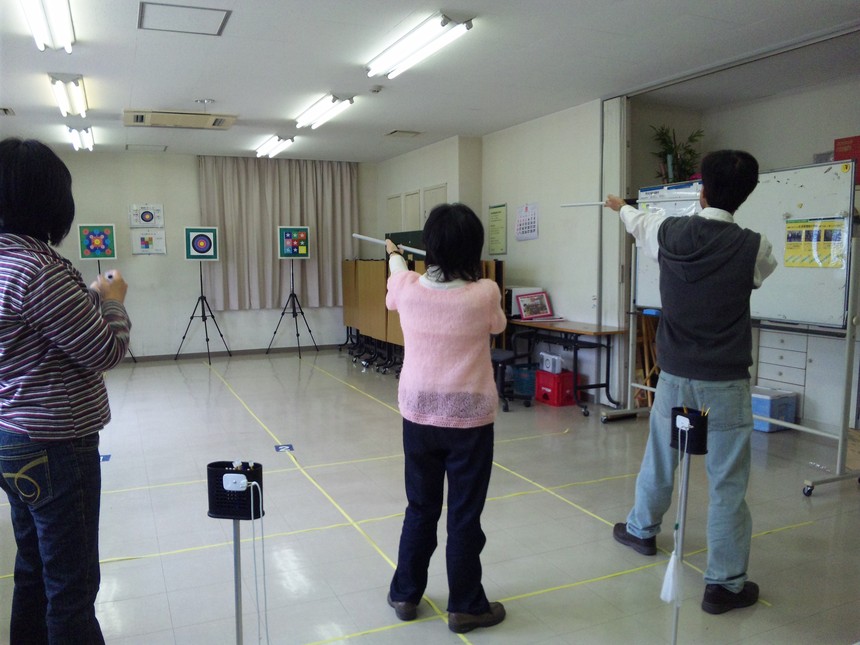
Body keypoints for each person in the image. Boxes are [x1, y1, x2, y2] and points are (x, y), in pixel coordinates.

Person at [605, 149, 777, 615]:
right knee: (727, 481)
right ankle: (723, 584)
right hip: (725, 381)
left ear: (701, 190)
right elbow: (761, 275)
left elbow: (636, 222)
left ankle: (642, 531)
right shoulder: (754, 247)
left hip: (676, 374)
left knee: (662, 455)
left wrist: (620, 206)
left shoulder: (669, 232)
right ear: (747, 194)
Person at [0, 138, 131, 643]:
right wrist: (114, 300)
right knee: (72, 589)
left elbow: (37, 328)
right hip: (55, 446)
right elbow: (106, 351)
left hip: (13, 437)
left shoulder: (10, 262)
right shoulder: (38, 267)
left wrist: (88, 295)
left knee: (32, 570)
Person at [384, 203, 508, 634]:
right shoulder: (485, 292)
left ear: (430, 246)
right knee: (463, 515)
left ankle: (405, 593)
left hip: (418, 415)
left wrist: (395, 253)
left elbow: (397, 275)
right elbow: (497, 325)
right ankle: (465, 606)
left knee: (420, 508)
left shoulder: (409, 288)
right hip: (470, 421)